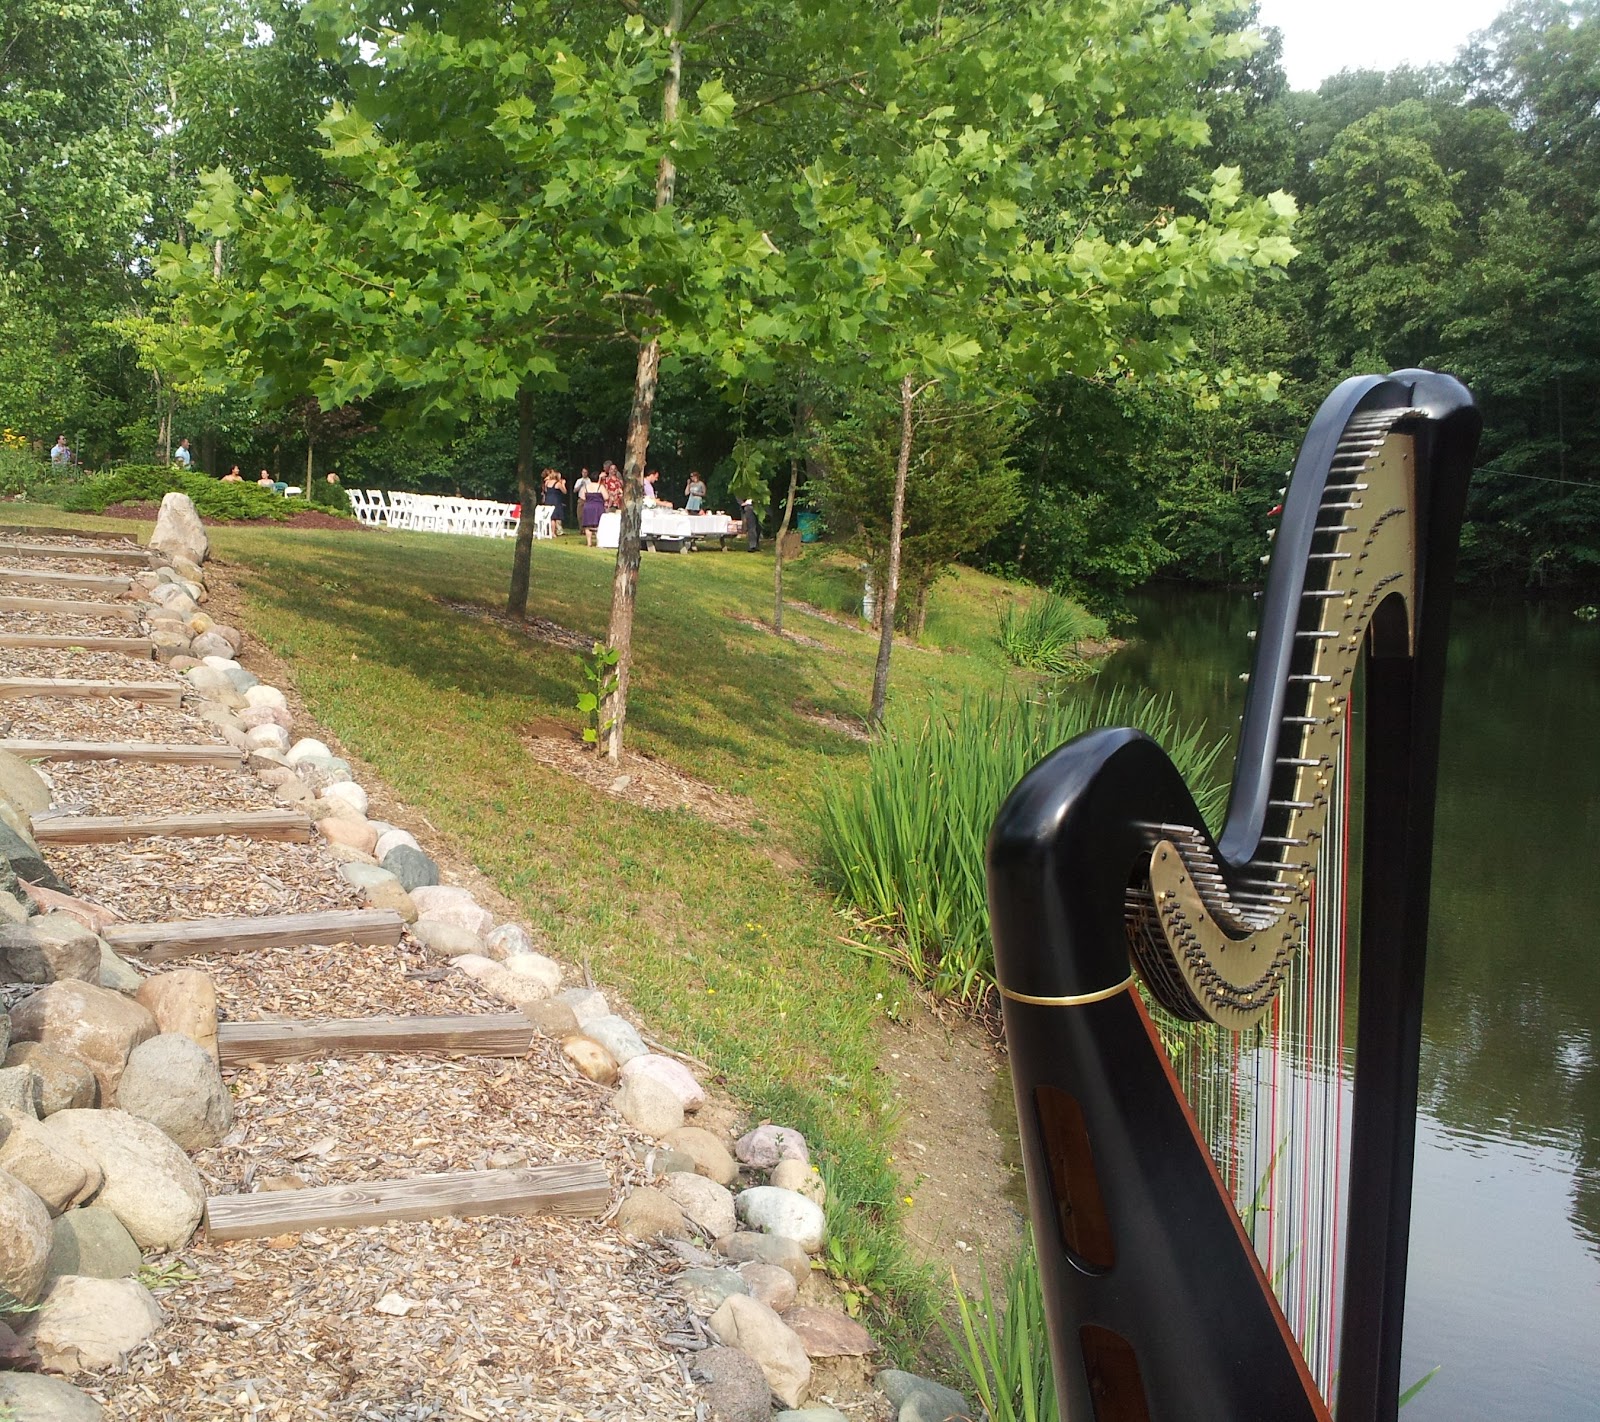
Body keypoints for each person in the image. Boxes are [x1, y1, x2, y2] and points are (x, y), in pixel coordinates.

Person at [575, 467, 605, 546]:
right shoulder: (600, 487)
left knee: (588, 526)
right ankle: (598, 542)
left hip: (588, 506)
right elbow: (606, 497)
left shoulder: (586, 487)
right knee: (598, 524)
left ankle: (589, 543)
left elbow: (582, 497)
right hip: (598, 507)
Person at [541, 467, 567, 535]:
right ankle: (553, 532)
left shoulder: (547, 482)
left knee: (549, 515)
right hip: (555, 500)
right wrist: (563, 484)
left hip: (548, 499)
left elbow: (545, 490)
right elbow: (564, 491)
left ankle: (547, 531)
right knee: (554, 517)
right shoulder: (558, 484)